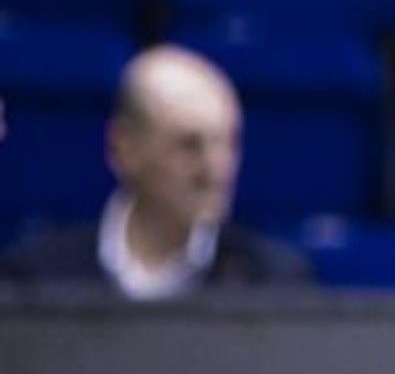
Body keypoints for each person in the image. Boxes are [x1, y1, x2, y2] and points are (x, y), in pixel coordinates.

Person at [1, 45, 308, 297]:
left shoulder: (274, 282)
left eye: (226, 144)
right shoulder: (39, 277)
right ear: (124, 148)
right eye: (189, 145)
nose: (215, 170)